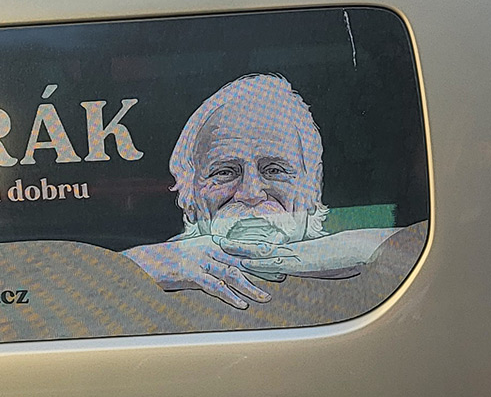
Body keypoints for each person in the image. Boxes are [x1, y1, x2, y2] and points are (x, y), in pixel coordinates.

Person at [124, 73, 395, 310]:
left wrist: (306, 257)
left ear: (313, 186)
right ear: (189, 197)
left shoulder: (362, 269)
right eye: (225, 172)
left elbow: (411, 247)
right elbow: (96, 282)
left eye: (274, 170)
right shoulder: (156, 271)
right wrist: (140, 266)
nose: (251, 193)